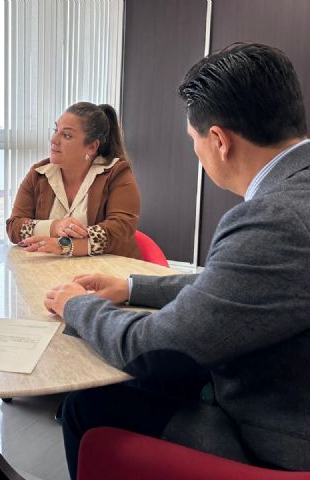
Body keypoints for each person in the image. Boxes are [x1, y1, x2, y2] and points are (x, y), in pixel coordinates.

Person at [44, 43, 310, 479]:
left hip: (272, 441)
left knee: (87, 406)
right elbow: (238, 289)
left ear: (219, 141)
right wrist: (131, 287)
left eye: (194, 140)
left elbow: (150, 350)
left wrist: (76, 304)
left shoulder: (272, 220)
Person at [6, 102, 141, 258]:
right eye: (56, 130)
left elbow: (120, 229)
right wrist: (54, 227)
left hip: (109, 274)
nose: (54, 139)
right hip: (52, 272)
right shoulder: (38, 174)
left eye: (67, 135)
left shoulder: (117, 173)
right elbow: (14, 227)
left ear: (92, 147)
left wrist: (65, 246)